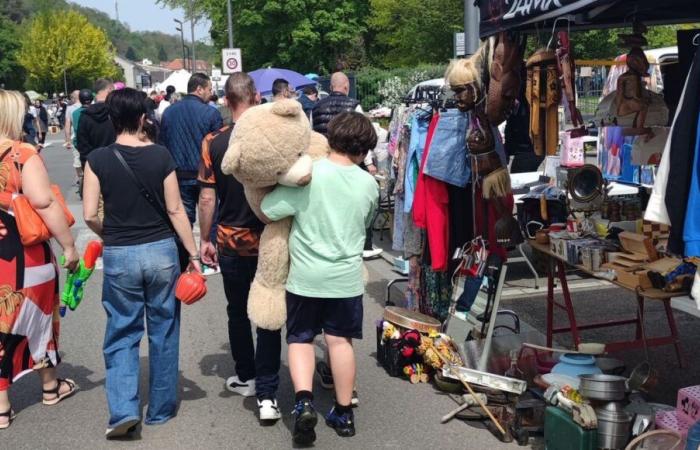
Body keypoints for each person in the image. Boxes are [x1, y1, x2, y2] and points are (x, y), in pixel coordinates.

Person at [82, 87, 201, 439]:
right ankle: (161, 409)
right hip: (162, 252)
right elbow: (176, 209)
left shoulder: (97, 160)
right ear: (141, 118)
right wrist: (193, 255)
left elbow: (89, 214)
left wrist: (112, 231)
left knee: (121, 331)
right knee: (164, 328)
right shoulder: (161, 156)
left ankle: (123, 410)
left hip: (120, 252)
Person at [260, 112, 378, 445]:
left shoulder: (308, 176)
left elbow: (269, 209)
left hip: (306, 277)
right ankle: (344, 413)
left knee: (301, 338)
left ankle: (303, 403)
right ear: (364, 148)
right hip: (345, 278)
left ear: (331, 138)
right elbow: (367, 219)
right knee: (339, 341)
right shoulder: (368, 183)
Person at [197, 72, 282, 423]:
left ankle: (245, 375)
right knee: (270, 314)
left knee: (237, 310)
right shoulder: (272, 137)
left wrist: (204, 238)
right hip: (270, 238)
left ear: (227, 102)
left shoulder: (214, 141)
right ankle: (267, 393)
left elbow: (206, 196)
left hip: (231, 239)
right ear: (256, 98)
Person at [0, 89, 80, 430]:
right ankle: (50, 386)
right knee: (38, 316)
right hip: (24, 255)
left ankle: (2, 407)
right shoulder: (22, 154)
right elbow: (44, 203)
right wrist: (69, 247)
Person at [159, 73, 223, 225]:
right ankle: (208, 246)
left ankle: (185, 249)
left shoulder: (169, 112)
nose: (211, 92)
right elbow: (217, 147)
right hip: (206, 177)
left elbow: (163, 144)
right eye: (209, 89)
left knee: (182, 223)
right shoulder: (211, 113)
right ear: (199, 89)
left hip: (178, 176)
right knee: (210, 222)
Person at [77, 78, 116, 168]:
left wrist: (86, 167)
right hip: (116, 163)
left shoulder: (85, 115)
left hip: (94, 164)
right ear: (109, 89)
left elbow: (83, 146)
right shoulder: (116, 112)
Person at [63, 90, 82, 184]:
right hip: (90, 136)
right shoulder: (90, 105)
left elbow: (67, 126)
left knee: (77, 158)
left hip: (76, 138)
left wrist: (68, 140)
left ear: (74, 98)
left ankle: (80, 178)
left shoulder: (70, 108)